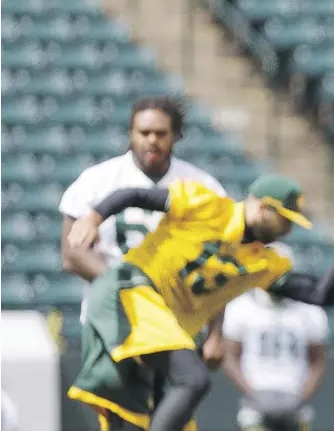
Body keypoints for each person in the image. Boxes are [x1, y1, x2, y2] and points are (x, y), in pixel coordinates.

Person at [64, 174, 334, 431]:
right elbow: (136, 194)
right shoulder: (208, 205)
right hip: (129, 294)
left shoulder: (262, 262)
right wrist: (94, 216)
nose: (287, 230)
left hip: (159, 327)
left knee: (137, 417)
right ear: (264, 208)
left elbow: (322, 295)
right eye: (285, 220)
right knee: (193, 380)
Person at [58, 96, 226, 431]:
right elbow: (72, 254)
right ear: (131, 134)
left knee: (174, 411)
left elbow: (216, 267)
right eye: (144, 132)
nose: (152, 140)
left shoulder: (202, 187)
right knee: (123, 418)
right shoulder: (97, 181)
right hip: (115, 321)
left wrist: (217, 333)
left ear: (175, 135)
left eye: (160, 133)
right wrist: (133, 285)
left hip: (175, 322)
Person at [222, 275, 328, 431]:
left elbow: (318, 361)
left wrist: (303, 395)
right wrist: (251, 392)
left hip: (294, 396)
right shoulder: (242, 307)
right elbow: (230, 356)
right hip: (256, 398)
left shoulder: (310, 311)